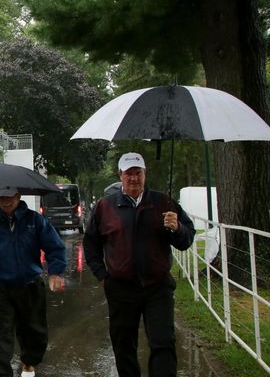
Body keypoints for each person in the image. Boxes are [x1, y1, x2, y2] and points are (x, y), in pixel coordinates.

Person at [83, 152, 195, 377]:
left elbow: (186, 240)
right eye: (129, 173)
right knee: (123, 345)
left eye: (138, 173)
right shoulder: (105, 207)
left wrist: (177, 228)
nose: (134, 178)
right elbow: (91, 243)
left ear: (145, 174)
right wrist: (102, 275)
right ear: (120, 175)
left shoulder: (163, 202)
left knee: (163, 342)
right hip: (121, 288)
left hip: (158, 287)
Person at [0, 186, 66, 377]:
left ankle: (29, 363)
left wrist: (55, 273)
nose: (5, 202)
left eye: (9, 197)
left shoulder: (35, 220)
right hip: (0, 287)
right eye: (1, 198)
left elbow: (55, 247)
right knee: (0, 333)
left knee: (34, 330)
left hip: (30, 285)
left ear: (18, 196)